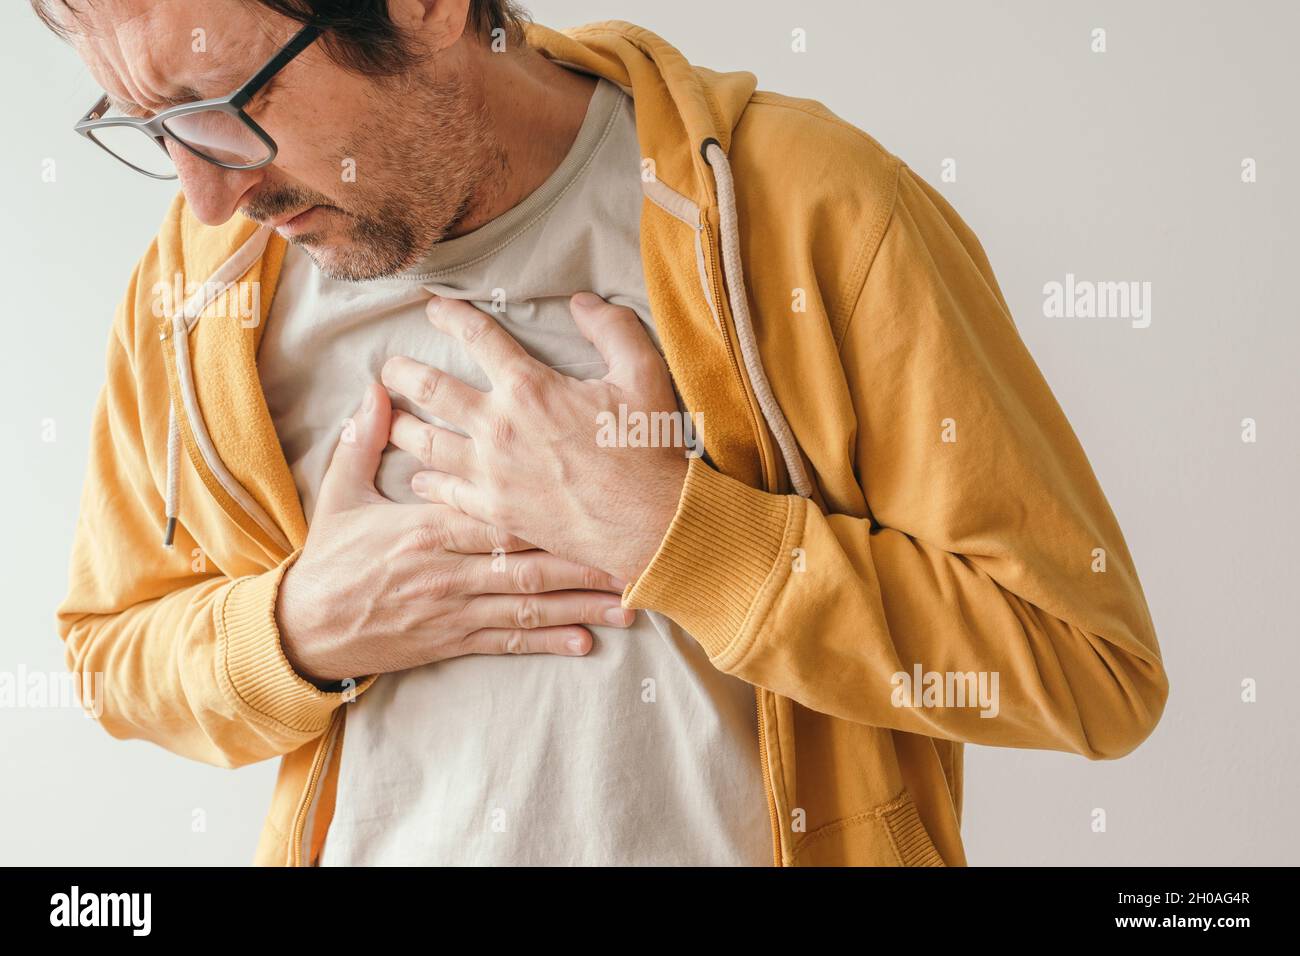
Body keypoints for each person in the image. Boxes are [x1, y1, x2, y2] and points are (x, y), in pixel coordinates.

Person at [43, 0, 1168, 866]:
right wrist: (293, 630)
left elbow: (1088, 668)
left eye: (225, 103)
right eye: (152, 126)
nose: (204, 193)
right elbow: (110, 651)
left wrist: (683, 532)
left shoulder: (812, 207)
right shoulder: (200, 290)